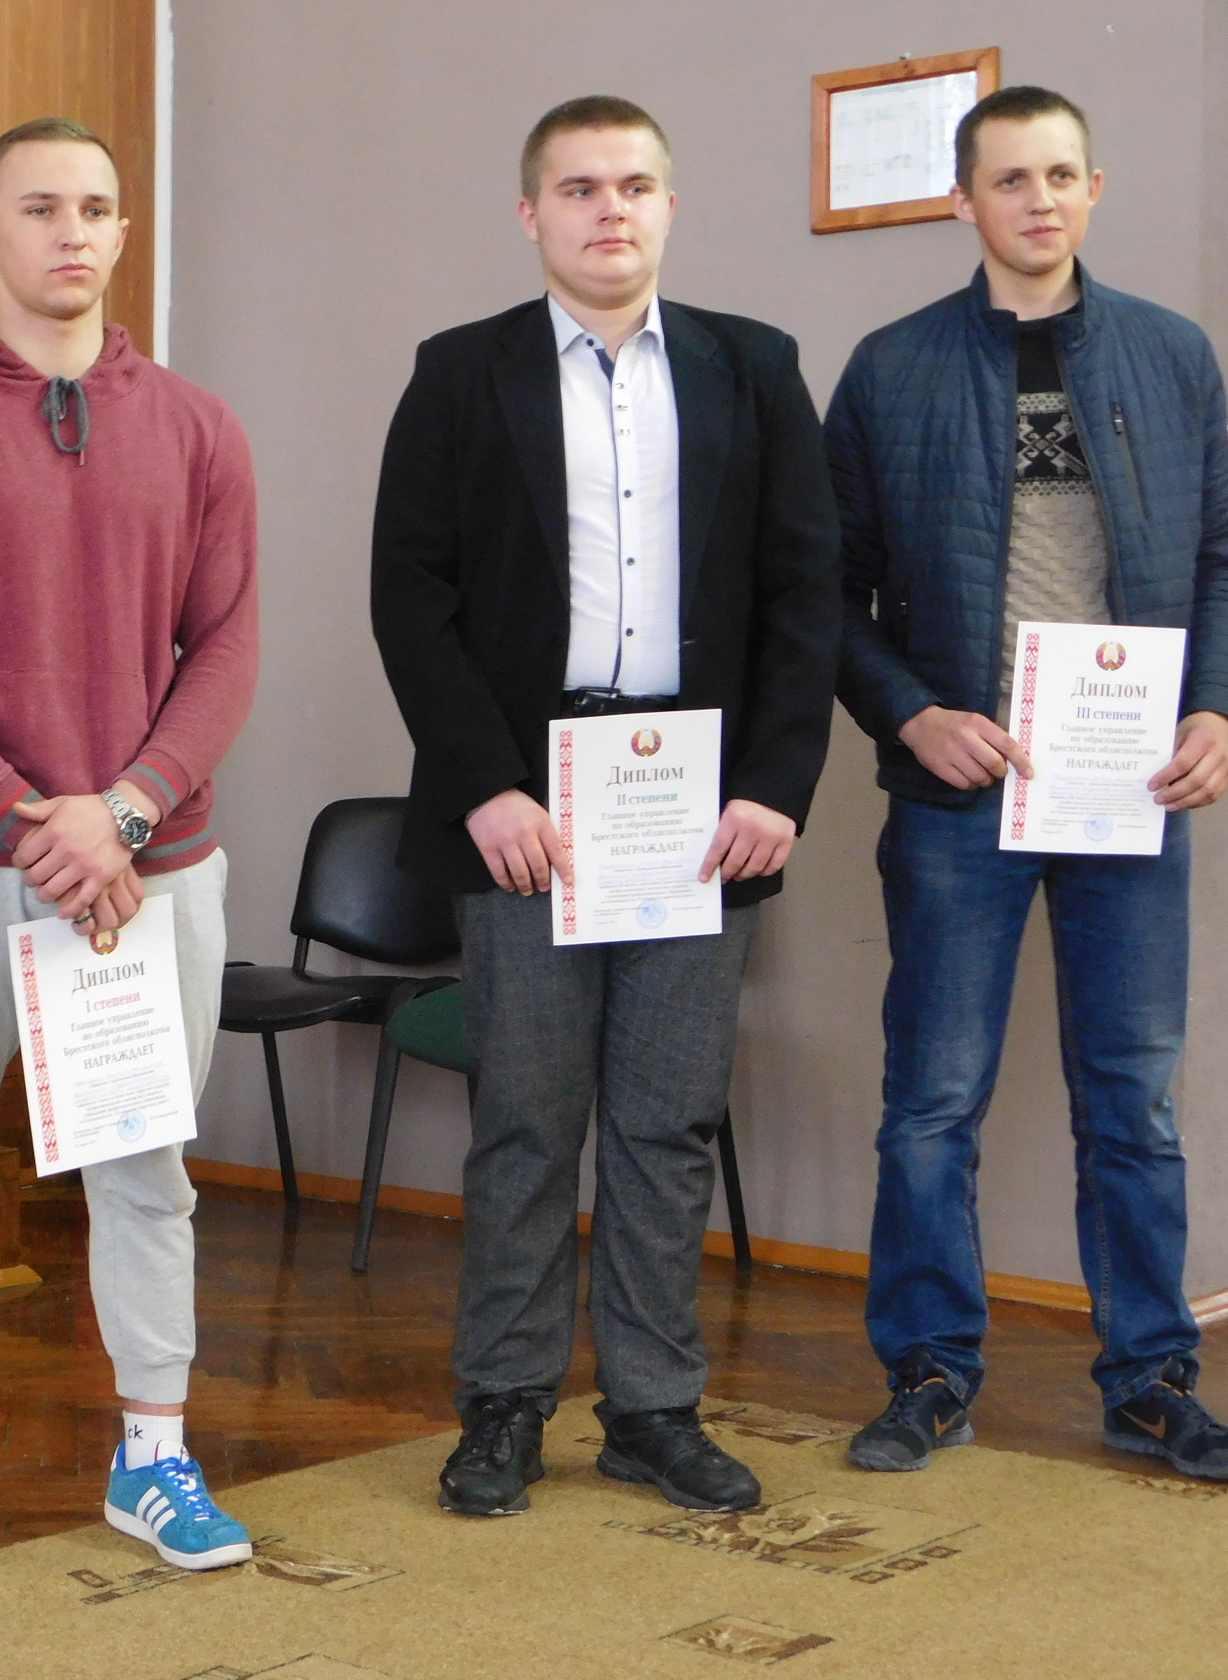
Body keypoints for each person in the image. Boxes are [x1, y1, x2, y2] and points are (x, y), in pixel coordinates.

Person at [370, 96, 839, 1519]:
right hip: (529, 806)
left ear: (670, 206)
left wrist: (777, 785)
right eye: (578, 188)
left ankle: (651, 1409)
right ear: (533, 215)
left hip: (699, 806)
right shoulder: (459, 373)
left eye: (634, 184)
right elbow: (411, 600)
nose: (609, 209)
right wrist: (485, 787)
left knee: (667, 1119)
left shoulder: (755, 367)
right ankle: (505, 1406)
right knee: (525, 1118)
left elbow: (805, 593)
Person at [0, 116, 259, 1599]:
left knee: (147, 1176)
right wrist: (34, 820)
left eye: (94, 208)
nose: (70, 231)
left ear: (122, 234)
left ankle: (154, 1456)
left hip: (151, 869)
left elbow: (227, 650)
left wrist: (124, 812)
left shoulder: (199, 427)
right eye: (38, 208)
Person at [830, 85, 1228, 1479]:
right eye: (1010, 179)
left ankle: (1152, 1381)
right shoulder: (891, 369)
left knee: (1132, 1101)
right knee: (931, 1104)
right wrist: (914, 717)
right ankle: (929, 1374)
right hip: (961, 798)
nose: (1039, 200)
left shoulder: (1170, 355)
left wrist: (1220, 709)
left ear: (1094, 189)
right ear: (964, 201)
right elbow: (826, 595)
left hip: (1128, 792)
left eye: (1062, 175)